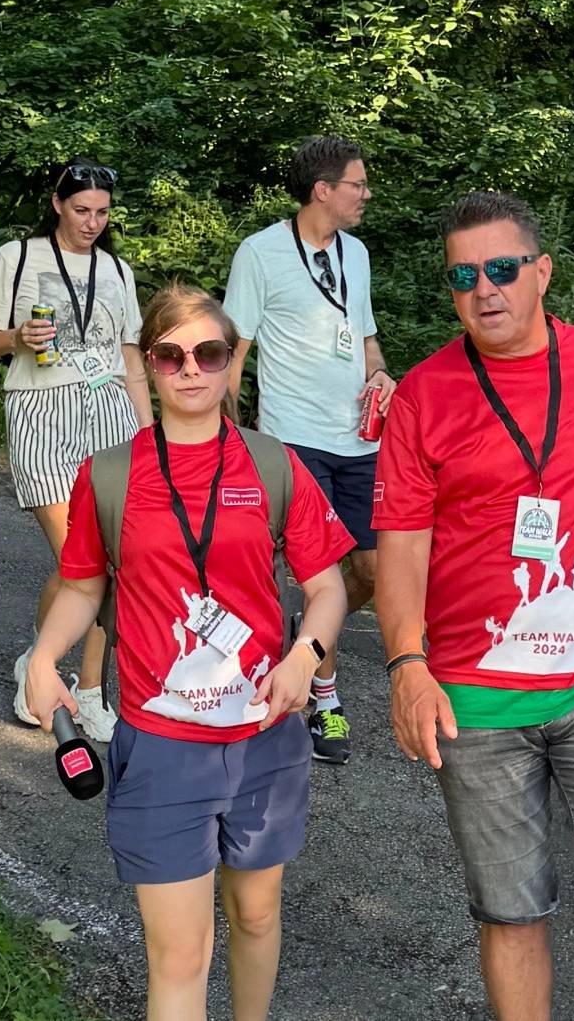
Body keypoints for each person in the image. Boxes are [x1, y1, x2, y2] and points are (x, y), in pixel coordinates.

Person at [374, 191, 574, 1021]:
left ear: (541, 271)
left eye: (504, 269)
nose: (486, 289)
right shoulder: (423, 394)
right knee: (512, 912)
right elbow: (402, 541)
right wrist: (406, 665)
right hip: (475, 697)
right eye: (464, 274)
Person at [28, 283, 351, 1021]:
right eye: (171, 356)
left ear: (234, 360)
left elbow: (327, 586)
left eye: (209, 352)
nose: (191, 369)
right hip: (165, 742)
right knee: (180, 954)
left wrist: (306, 654)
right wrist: (47, 657)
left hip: (266, 735)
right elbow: (81, 586)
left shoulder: (275, 465)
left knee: (258, 917)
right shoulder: (109, 474)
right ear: (146, 364)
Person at [0, 161, 152, 743]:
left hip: (111, 415)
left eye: (102, 211)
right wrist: (17, 338)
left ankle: (90, 689)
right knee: (84, 561)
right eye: (81, 210)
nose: (92, 222)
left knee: (117, 564)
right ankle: (44, 666)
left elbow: (132, 361)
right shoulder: (17, 258)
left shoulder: (118, 270)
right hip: (41, 412)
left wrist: (151, 442)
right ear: (56, 204)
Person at [223, 135, 393, 765]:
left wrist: (378, 374)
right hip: (291, 437)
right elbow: (233, 353)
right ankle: (325, 693)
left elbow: (367, 335)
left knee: (372, 571)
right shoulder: (262, 253)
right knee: (314, 572)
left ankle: (306, 638)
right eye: (358, 184)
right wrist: (228, 437)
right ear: (324, 190)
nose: (365, 194)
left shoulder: (358, 253)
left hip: (358, 439)